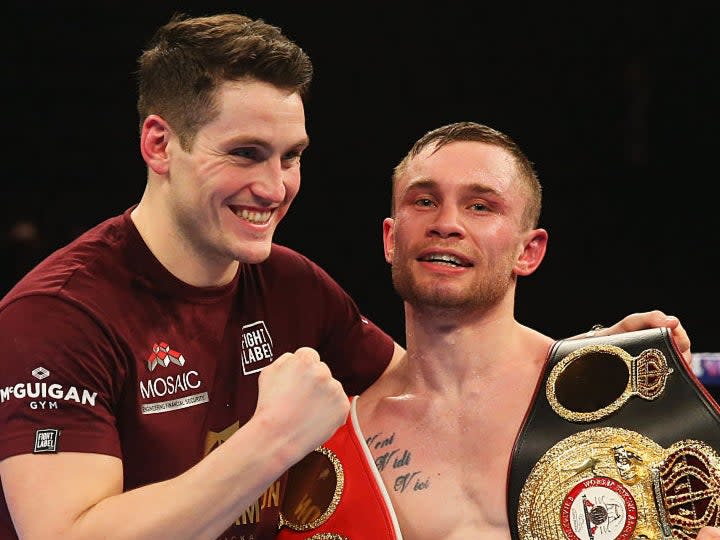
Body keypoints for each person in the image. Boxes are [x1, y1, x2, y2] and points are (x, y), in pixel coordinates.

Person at [0, 13, 700, 540]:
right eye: (246, 153)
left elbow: (442, 382)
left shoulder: (292, 288)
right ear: (159, 144)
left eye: (291, 155)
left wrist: (586, 366)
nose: (274, 187)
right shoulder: (56, 317)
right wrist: (271, 440)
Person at [277, 122, 720, 540]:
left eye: (480, 206)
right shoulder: (340, 435)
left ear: (528, 252)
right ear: (391, 240)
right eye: (424, 201)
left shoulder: (621, 397)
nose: (446, 223)